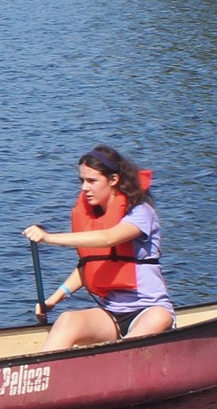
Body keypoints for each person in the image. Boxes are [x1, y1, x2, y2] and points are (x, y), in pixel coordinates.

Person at [23, 145, 172, 352]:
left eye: (92, 181)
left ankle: (115, 363)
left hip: (150, 310)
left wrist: (49, 238)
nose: (85, 188)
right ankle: (38, 375)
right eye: (82, 181)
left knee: (157, 318)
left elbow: (108, 239)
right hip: (111, 313)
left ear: (113, 180)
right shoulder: (94, 218)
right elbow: (89, 265)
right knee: (68, 320)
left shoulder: (140, 212)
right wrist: (52, 300)